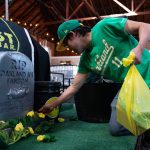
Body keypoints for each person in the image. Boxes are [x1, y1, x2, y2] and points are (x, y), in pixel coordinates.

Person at [39, 17, 150, 146]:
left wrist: (140, 49)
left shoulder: (104, 26)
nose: (69, 49)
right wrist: (54, 104)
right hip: (130, 86)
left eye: (66, 44)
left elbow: (145, 26)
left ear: (72, 35)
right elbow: (74, 86)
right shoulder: (85, 60)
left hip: (147, 72)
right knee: (116, 128)